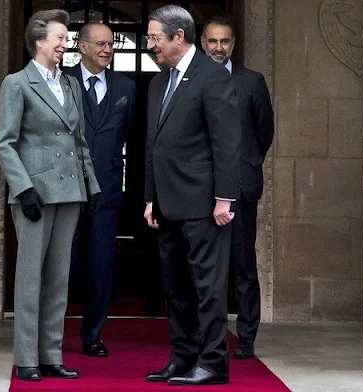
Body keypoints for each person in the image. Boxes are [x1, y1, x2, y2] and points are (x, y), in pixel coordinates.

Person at [0, 9, 101, 382]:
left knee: (59, 278)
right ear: (39, 41)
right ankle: (26, 358)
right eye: (59, 37)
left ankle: (50, 355)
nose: (65, 43)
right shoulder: (17, 83)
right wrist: (23, 190)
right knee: (29, 279)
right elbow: (5, 144)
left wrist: (91, 187)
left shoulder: (70, 84)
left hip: (69, 191)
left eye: (66, 37)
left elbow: (80, 140)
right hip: (34, 195)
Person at [142, 5, 241, 386]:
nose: (150, 45)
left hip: (204, 204)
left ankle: (213, 362)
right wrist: (150, 197)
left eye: (154, 37)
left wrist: (225, 198)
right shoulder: (158, 82)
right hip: (168, 205)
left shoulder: (212, 76)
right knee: (177, 289)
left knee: (208, 289)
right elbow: (155, 145)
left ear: (178, 37)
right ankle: (182, 359)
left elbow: (227, 142)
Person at [201, 16, 275, 360]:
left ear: (233, 44)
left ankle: (246, 338)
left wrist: (245, 165)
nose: (219, 48)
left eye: (225, 42)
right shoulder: (190, 79)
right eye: (213, 41)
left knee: (244, 265)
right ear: (203, 42)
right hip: (200, 189)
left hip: (241, 189)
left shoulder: (252, 82)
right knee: (203, 266)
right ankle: (203, 335)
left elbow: (264, 133)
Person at [64, 23, 137, 357]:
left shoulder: (126, 87)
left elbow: (132, 138)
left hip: (107, 193)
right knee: (61, 267)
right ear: (81, 47)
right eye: (100, 44)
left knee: (100, 268)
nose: (108, 49)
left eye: (111, 44)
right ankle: (49, 337)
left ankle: (93, 336)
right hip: (67, 192)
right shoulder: (62, 82)